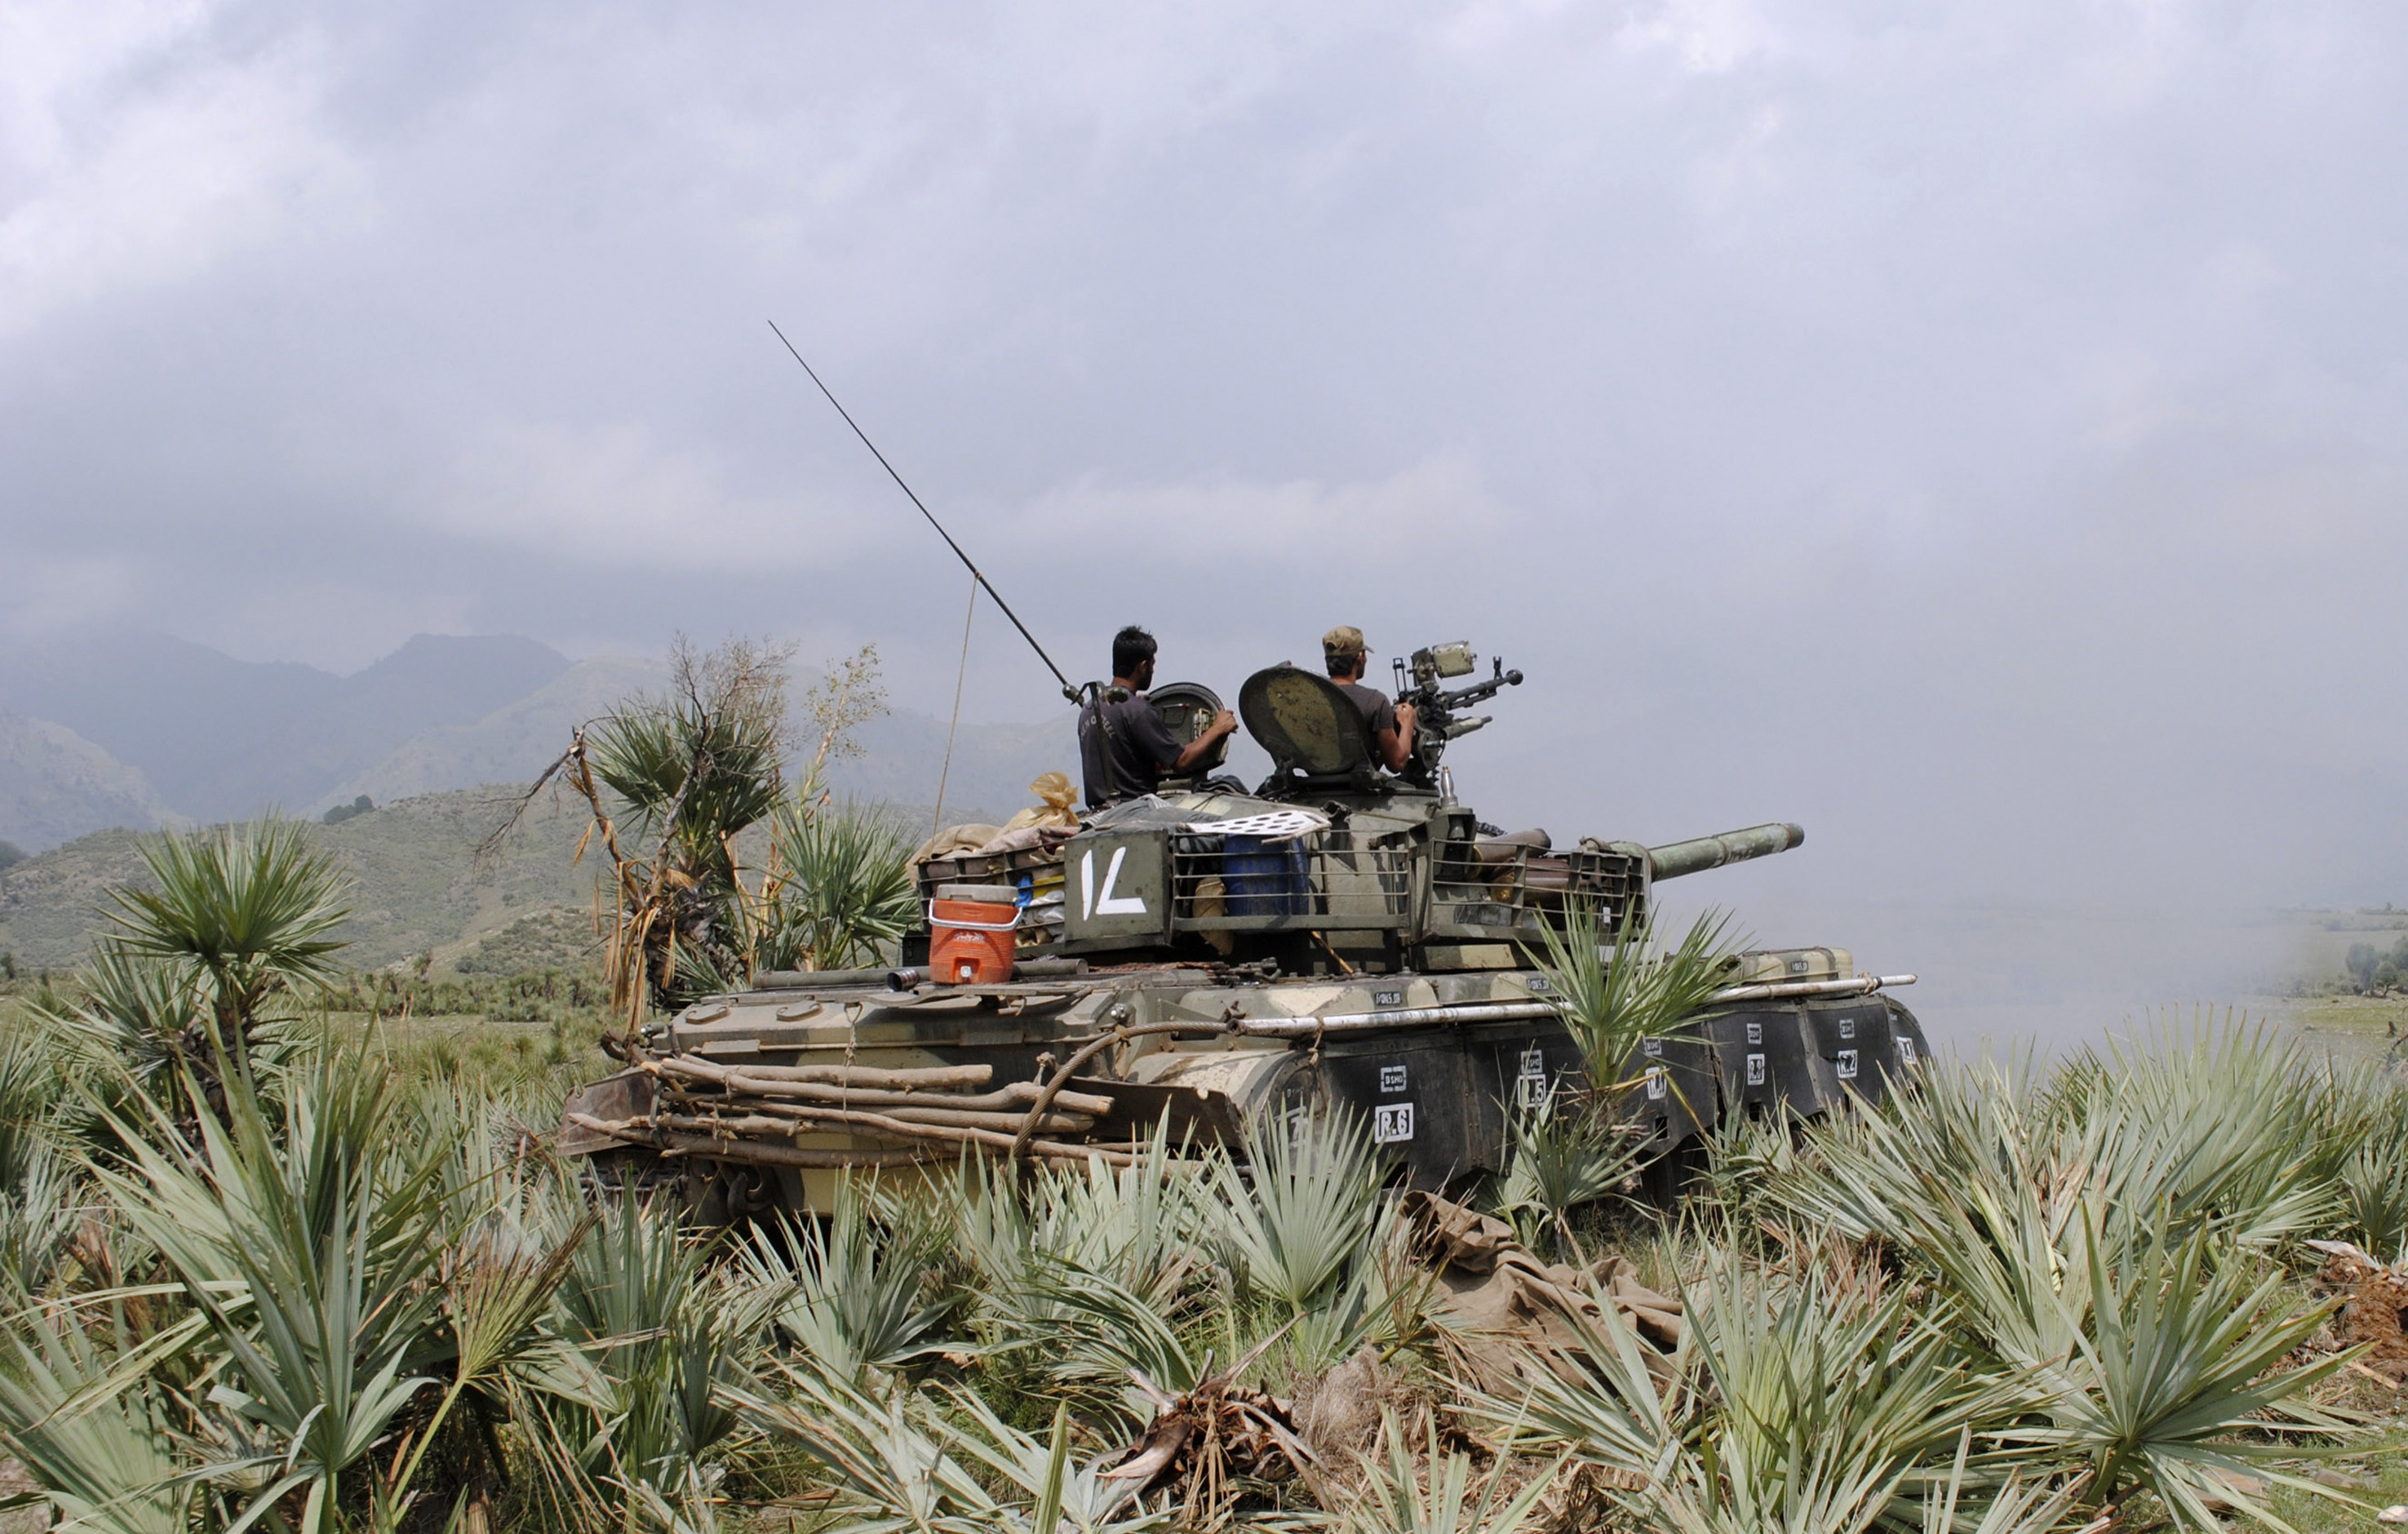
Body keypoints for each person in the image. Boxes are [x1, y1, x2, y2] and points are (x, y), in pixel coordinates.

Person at [1077, 625, 1238, 808]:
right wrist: (1218, 728)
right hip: (1135, 809)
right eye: (1152, 664)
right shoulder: (1137, 711)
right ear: (1143, 667)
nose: (1153, 670)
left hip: (1098, 810)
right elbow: (1181, 762)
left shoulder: (1090, 709)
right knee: (1210, 826)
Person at [1323, 626, 1417, 773]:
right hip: (1359, 789)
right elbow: (1397, 763)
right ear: (1360, 658)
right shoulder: (1375, 702)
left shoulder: (1310, 699)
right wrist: (1407, 724)